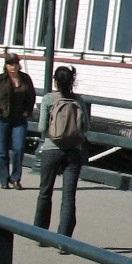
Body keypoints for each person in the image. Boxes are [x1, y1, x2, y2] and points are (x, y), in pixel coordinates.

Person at [33, 65, 90, 243]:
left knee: (45, 192)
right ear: (72, 81)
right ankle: (64, 241)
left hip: (51, 149)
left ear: (55, 81)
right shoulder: (79, 101)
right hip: (74, 151)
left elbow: (42, 127)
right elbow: (86, 128)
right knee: (68, 197)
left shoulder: (49, 99)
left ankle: (40, 235)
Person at [0, 54, 36, 190]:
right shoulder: (0, 79)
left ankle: (16, 179)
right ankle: (4, 179)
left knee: (19, 148)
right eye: (10, 64)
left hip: (19, 119)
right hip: (3, 118)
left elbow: (31, 95)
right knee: (3, 151)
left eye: (15, 63)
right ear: (6, 65)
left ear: (18, 64)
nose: (13, 67)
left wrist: (28, 110)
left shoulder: (25, 78)